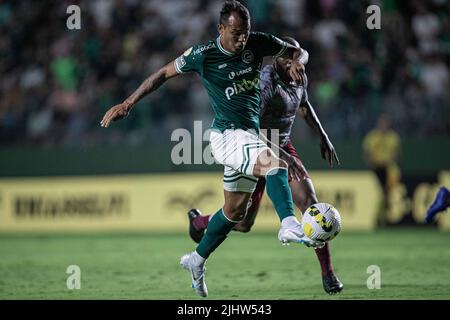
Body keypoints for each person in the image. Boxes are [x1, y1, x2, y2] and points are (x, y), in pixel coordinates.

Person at [101, 0, 324, 297]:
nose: (241, 39)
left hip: (248, 136)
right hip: (227, 136)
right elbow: (163, 73)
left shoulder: (258, 43)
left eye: (245, 32)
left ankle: (196, 260)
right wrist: (128, 103)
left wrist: (299, 60)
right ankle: (288, 224)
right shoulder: (202, 55)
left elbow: (299, 51)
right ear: (221, 28)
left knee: (234, 213)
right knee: (275, 163)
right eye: (235, 33)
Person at [186, 36, 343, 295]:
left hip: (283, 148)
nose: (296, 65)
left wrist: (323, 136)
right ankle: (201, 222)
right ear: (278, 60)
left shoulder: (298, 72)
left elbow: (304, 105)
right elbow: (252, 127)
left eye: (297, 60)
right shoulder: (265, 81)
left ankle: (328, 273)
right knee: (243, 222)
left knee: (310, 203)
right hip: (256, 146)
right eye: (290, 59)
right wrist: (283, 155)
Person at [363, 114, 401, 226]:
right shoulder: (372, 137)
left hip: (389, 169)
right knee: (382, 193)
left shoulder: (393, 137)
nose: (383, 126)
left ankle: (382, 217)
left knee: (386, 193)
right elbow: (367, 154)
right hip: (377, 168)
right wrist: (374, 162)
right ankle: (382, 216)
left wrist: (389, 161)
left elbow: (397, 154)